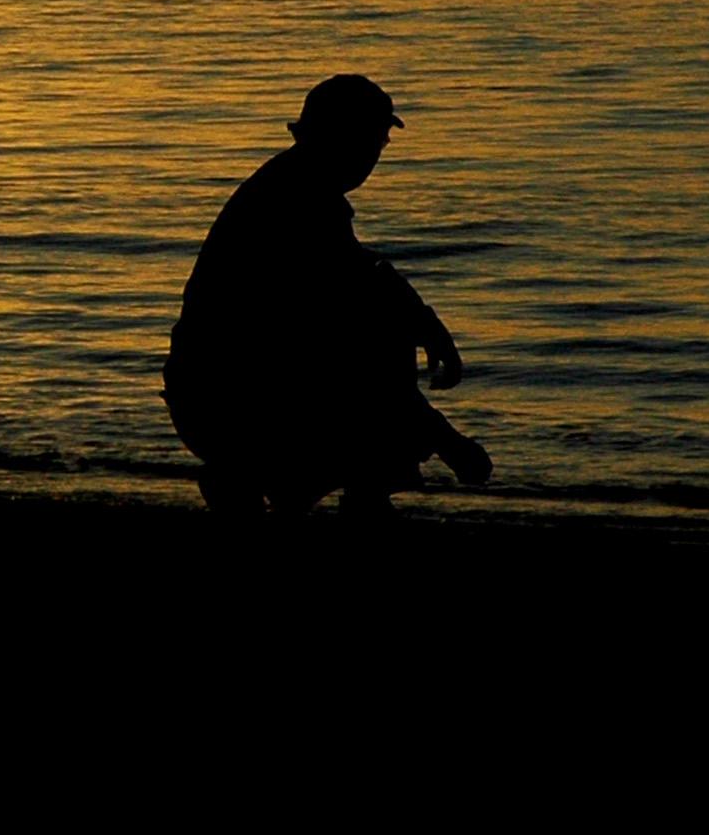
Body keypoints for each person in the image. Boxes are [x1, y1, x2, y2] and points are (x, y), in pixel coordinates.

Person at [163, 74, 492, 513]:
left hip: (213, 394)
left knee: (372, 326)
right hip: (229, 403)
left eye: (379, 143)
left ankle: (283, 481)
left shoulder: (293, 188)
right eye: (372, 140)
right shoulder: (299, 201)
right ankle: (324, 487)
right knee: (372, 338)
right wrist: (445, 438)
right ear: (343, 138)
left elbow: (364, 275)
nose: (375, 155)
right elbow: (353, 321)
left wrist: (423, 322)